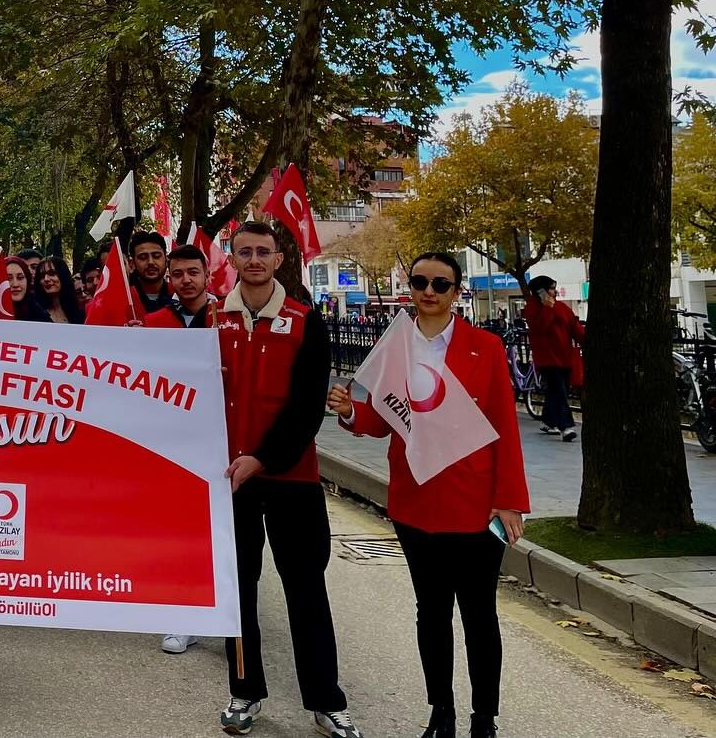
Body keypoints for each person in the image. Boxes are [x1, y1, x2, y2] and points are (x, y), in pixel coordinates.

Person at [329, 252, 529, 738]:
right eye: (420, 281)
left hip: (477, 502)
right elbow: (383, 420)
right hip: (416, 501)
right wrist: (351, 412)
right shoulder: (395, 345)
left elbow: (504, 426)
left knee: (480, 614)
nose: (429, 291)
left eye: (441, 283)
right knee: (431, 612)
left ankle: (485, 719)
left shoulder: (485, 347)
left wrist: (509, 499)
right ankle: (441, 711)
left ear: (456, 291)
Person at [215, 221, 360, 738]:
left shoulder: (305, 320)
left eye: (263, 252)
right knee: (239, 593)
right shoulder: (211, 320)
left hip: (292, 478)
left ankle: (326, 700)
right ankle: (243, 692)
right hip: (229, 481)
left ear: (279, 260)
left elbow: (306, 408)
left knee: (306, 590)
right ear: (232, 257)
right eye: (245, 251)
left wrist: (262, 458)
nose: (254, 259)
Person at [142, 242, 218, 656]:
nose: (185, 280)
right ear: (169, 279)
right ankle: (181, 612)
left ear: (207, 275)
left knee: (219, 532)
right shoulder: (154, 323)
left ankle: (225, 610)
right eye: (178, 274)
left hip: (219, 440)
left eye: (193, 272)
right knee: (176, 530)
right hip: (170, 442)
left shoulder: (229, 318)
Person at [523, 276, 584, 441]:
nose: (554, 292)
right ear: (541, 292)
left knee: (557, 390)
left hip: (564, 357)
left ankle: (549, 420)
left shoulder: (562, 308)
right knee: (560, 391)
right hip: (547, 359)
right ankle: (566, 426)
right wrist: (547, 308)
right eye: (550, 289)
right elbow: (540, 327)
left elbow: (574, 327)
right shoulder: (532, 310)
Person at [129, 231, 172, 315]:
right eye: (143, 257)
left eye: (156, 256)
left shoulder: (179, 296)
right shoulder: (125, 298)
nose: (150, 262)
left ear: (166, 261)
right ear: (132, 264)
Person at [33, 256, 84, 324]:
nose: (46, 279)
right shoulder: (35, 312)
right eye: (42, 276)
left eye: (52, 273)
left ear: (63, 275)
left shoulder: (79, 312)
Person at [5, 256, 51, 322]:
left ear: (28, 280)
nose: (15, 284)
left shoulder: (40, 315)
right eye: (8, 279)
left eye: (20, 277)